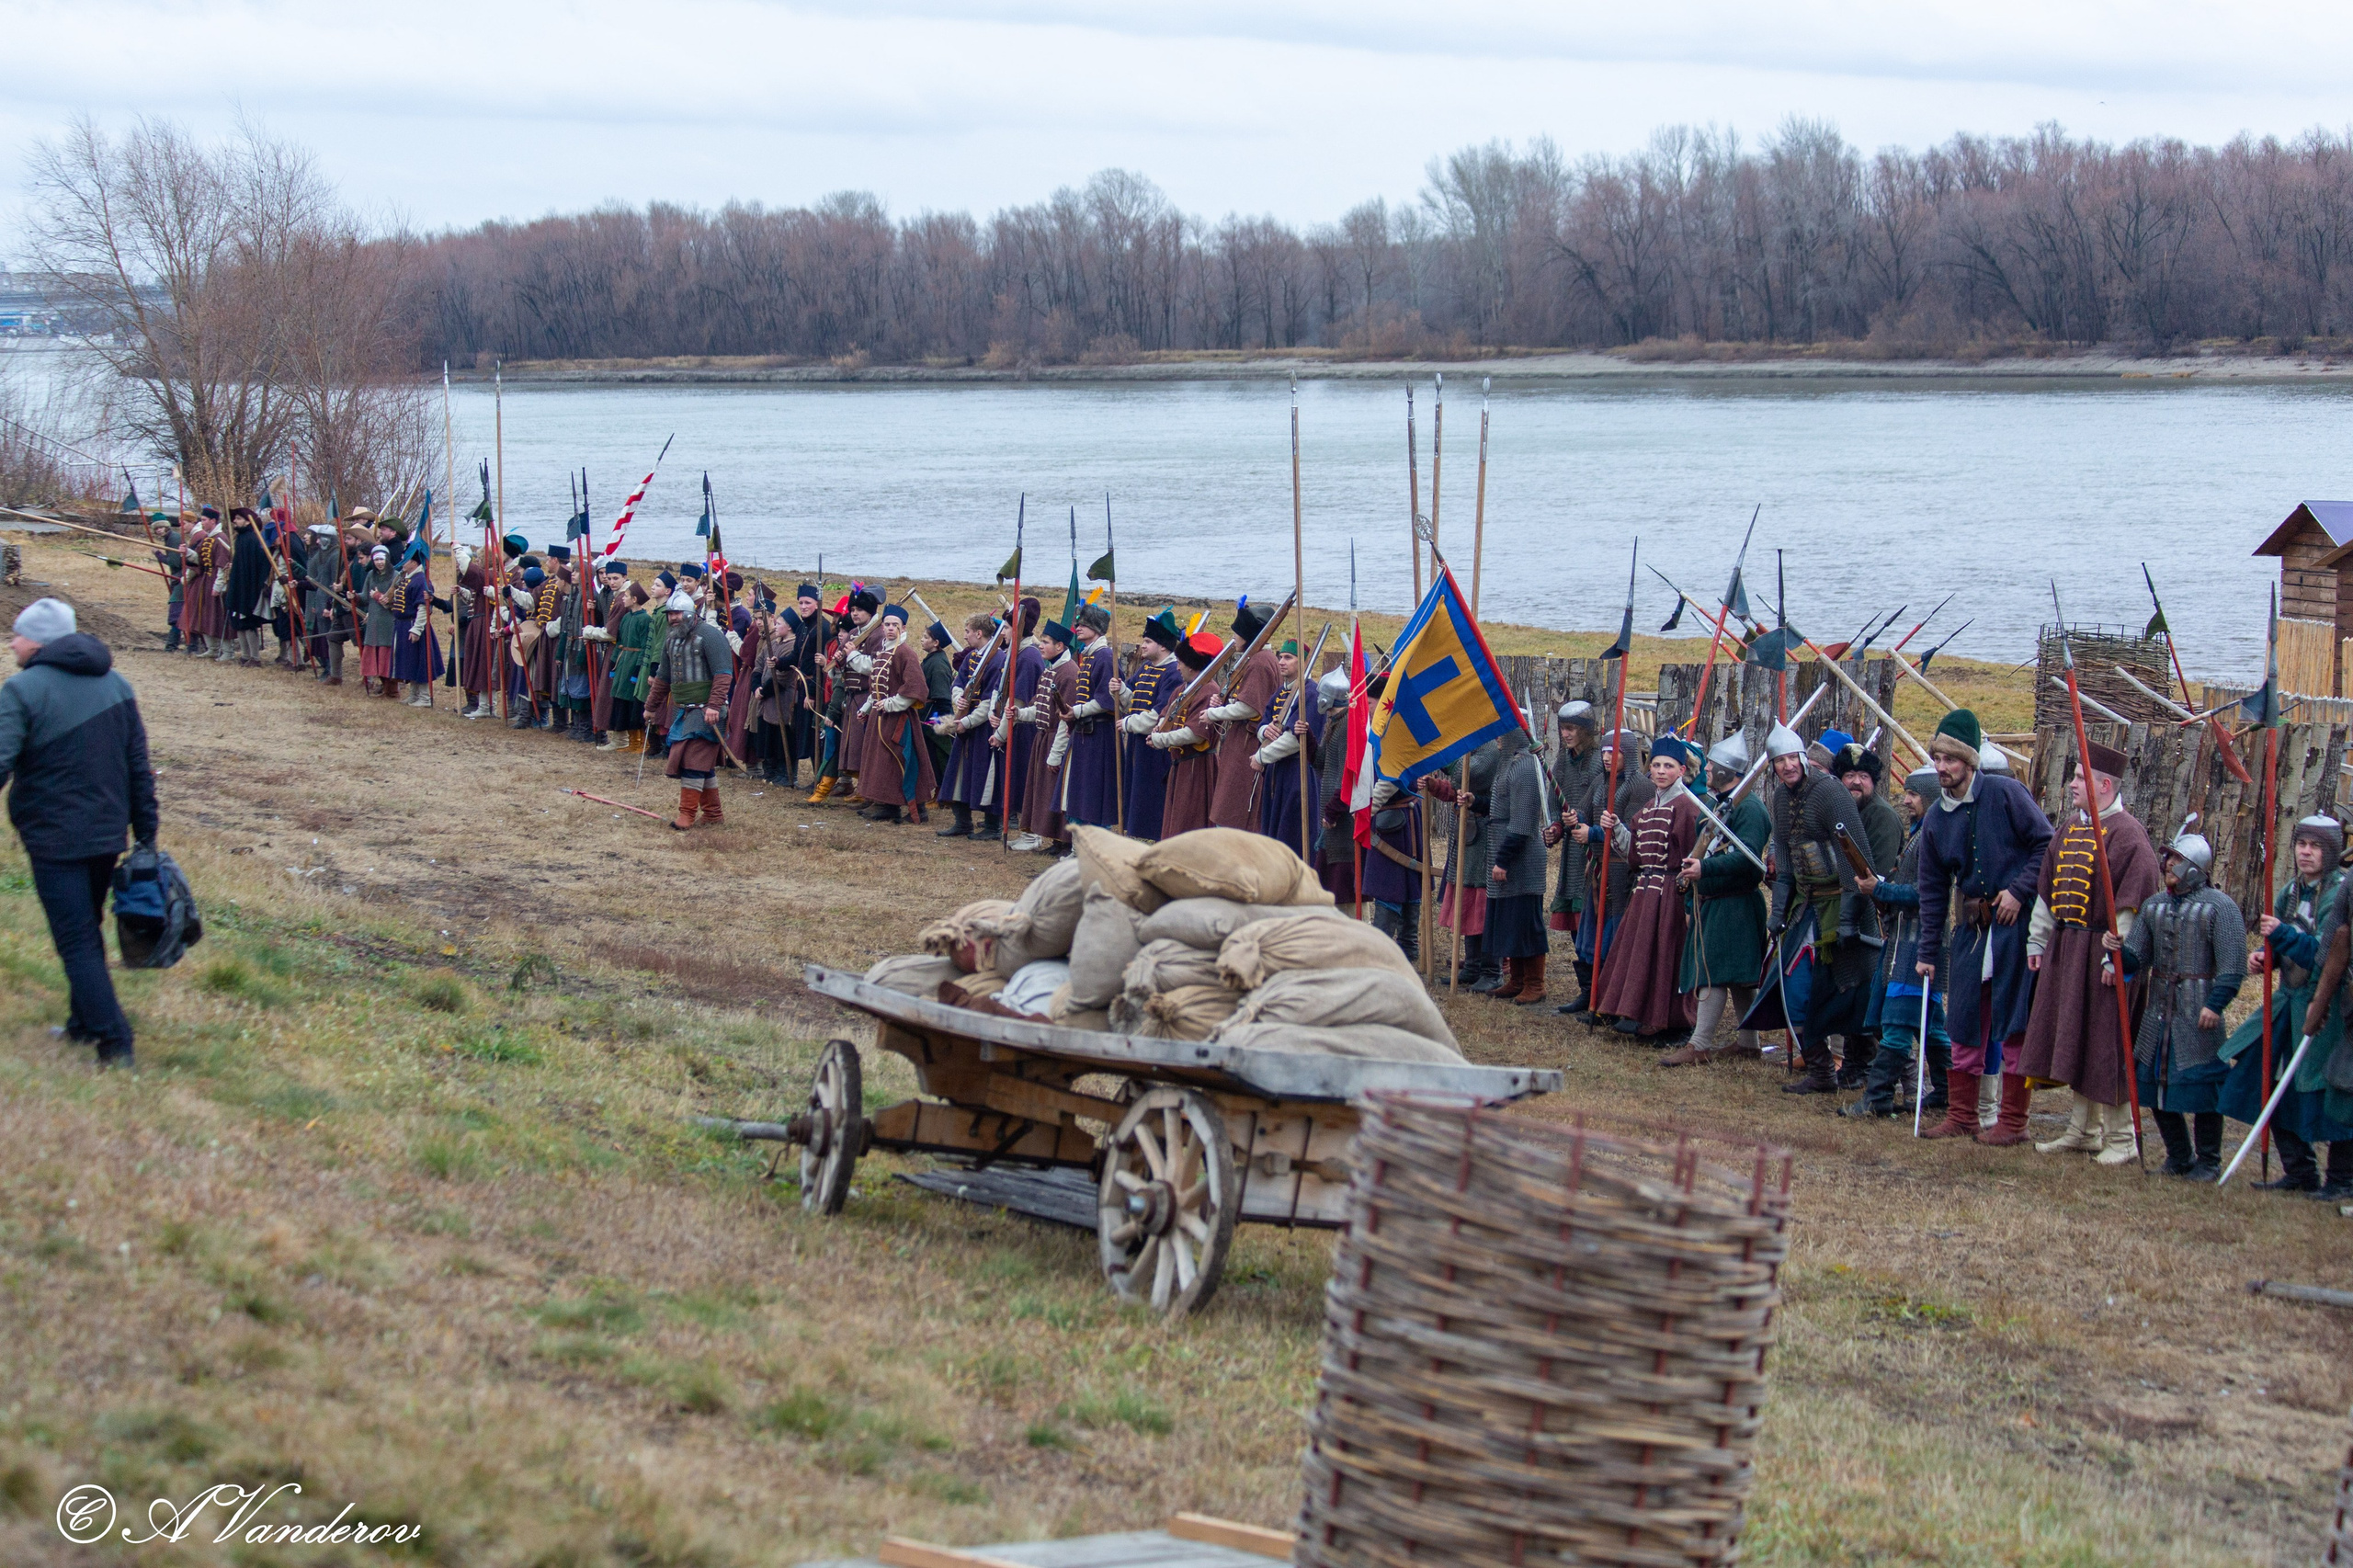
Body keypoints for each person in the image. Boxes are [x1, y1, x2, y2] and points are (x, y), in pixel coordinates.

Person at [0, 599, 158, 1069]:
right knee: (86, 929)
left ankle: (115, 1040)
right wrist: (146, 832)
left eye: (17, 635)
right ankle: (82, 1024)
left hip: (55, 835)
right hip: (109, 833)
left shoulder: (22, 689)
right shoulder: (118, 686)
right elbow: (138, 768)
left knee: (75, 942)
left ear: (41, 642)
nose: (12, 642)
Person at [2018, 739, 2162, 1164]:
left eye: (2080, 778)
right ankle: (2083, 1130)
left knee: (2106, 1042)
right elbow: (2048, 889)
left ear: (2103, 785)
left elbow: (2133, 907)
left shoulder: (2129, 837)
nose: (2072, 784)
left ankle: (2122, 1138)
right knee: (2075, 1037)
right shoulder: (2070, 828)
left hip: (2104, 955)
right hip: (2068, 950)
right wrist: (2038, 939)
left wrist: (2118, 960)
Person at [1915, 710, 2054, 1142]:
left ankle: (2013, 1123)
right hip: (1971, 931)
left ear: (1969, 762)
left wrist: (2018, 890)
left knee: (2014, 1021)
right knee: (1964, 1020)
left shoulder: (2006, 793)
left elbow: (2046, 845)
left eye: (1950, 760)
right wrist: (1926, 953)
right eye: (1937, 758)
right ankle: (1962, 1116)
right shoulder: (1937, 818)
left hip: (2016, 927)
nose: (1941, 768)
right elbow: (1933, 890)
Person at [2222, 815, 2351, 1196]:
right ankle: (2299, 1171)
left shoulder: (2340, 894)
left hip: (2327, 1008)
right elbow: (2282, 944)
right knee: (2269, 1080)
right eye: (2301, 844)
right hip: (2287, 1003)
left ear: (2330, 851)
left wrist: (2280, 935)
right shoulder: (2291, 891)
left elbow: (2326, 957)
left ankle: (2342, 1179)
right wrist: (2267, 956)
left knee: (2331, 1091)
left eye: (2314, 846)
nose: (2305, 852)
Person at [2109, 833, 2245, 1178]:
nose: (2169, 865)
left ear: (2196, 868)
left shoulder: (2220, 907)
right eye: (2167, 858)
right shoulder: (2154, 906)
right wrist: (2116, 950)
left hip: (2198, 1008)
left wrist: (2215, 1005)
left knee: (2203, 1089)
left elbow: (2233, 966)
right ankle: (2179, 1157)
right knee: (2153, 1084)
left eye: (2177, 860)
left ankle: (2209, 1161)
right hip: (2159, 1009)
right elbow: (2136, 959)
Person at [1764, 720, 1876, 1095]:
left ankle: (1872, 1069)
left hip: (1841, 904)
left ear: (1803, 759)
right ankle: (1822, 1072)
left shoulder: (1830, 793)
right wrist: (1778, 912)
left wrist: (1849, 915)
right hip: (1805, 907)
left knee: (1847, 993)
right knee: (1793, 989)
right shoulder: (1780, 798)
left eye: (1792, 758)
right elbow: (1785, 860)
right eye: (1779, 762)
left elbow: (1853, 855)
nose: (1787, 766)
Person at [1847, 767, 1953, 1118]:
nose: (1905, 800)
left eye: (1913, 794)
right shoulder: (1923, 832)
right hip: (1912, 938)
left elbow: (1927, 895)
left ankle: (1876, 1098)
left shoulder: (1932, 836)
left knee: (1895, 1025)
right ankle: (1945, 1091)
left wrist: (1879, 889)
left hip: (1917, 942)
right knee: (1931, 1025)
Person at [1659, 733, 1769, 1067]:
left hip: (1736, 901)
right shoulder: (1720, 804)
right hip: (1715, 900)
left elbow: (1749, 859)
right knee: (1731, 974)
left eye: (1713, 767)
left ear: (1727, 771)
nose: (1706, 770)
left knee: (1717, 973)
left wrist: (1704, 869)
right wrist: (1694, 897)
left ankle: (1700, 1043)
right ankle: (1749, 1043)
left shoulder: (1750, 808)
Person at [1592, 733, 1704, 1035]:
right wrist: (1615, 828)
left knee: (1668, 955)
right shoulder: (1648, 806)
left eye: (1668, 766)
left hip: (1673, 893)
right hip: (1646, 891)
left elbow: (1696, 857)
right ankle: (1639, 1012)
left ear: (1681, 770)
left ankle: (1671, 1020)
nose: (1660, 771)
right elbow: (1635, 851)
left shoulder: (1688, 808)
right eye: (1655, 765)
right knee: (1641, 953)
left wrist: (1689, 900)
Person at [645, 589, 734, 830]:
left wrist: (714, 705)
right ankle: (713, 814)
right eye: (670, 614)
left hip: (708, 711)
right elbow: (663, 678)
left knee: (693, 761)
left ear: (689, 613)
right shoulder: (671, 639)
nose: (673, 618)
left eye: (677, 613)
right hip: (684, 710)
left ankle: (686, 814)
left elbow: (723, 674)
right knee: (698, 763)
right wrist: (651, 707)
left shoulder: (710, 635)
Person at [1478, 723, 1552, 1005]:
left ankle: (1536, 983)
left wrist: (1503, 860)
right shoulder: (1510, 764)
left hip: (1522, 858)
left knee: (1526, 922)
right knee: (1511, 921)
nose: (1497, 736)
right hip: (1507, 850)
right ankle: (1518, 980)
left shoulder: (1526, 768)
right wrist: (1475, 802)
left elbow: (1522, 822)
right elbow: (1500, 810)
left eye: (1502, 731)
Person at [1546, 700, 1606, 1010]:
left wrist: (1585, 822)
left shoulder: (1599, 762)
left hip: (1593, 849)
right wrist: (1556, 827)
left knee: (1591, 919)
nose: (1565, 734)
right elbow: (1556, 800)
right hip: (1572, 851)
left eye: (1570, 729)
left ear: (1585, 731)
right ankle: (1586, 989)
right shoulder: (1563, 761)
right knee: (1573, 921)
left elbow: (1607, 806)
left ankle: (1601, 990)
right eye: (1562, 729)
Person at [1426, 740, 1499, 990]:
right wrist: (1437, 787)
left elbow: (1471, 774)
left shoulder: (1490, 747)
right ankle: (1472, 967)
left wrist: (1440, 754)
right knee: (1467, 901)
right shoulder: (1472, 744)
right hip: (1467, 834)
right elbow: (1459, 786)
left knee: (1482, 904)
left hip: (1486, 835)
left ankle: (1491, 970)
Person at [856, 604, 938, 825]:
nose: (891, 628)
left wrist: (891, 704)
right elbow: (877, 685)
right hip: (880, 717)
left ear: (903, 627)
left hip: (899, 718)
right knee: (883, 763)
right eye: (888, 624)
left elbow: (916, 689)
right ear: (882, 627)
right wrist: (866, 709)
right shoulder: (884, 650)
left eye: (895, 625)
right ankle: (886, 805)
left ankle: (918, 808)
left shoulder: (905, 652)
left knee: (904, 759)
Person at [1205, 601, 1279, 831]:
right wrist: (1222, 701)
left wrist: (1214, 713)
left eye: (1237, 633)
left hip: (1247, 745)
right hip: (1242, 741)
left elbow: (1250, 708)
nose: (1234, 637)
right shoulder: (1257, 659)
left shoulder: (1259, 663)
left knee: (1234, 812)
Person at [1253, 640, 1325, 860]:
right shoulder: (1280, 692)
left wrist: (1261, 756)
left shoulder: (1310, 693)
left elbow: (1296, 739)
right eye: (1281, 657)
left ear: (1303, 663)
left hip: (1299, 771)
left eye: (1288, 658)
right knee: (1273, 831)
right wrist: (1264, 732)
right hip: (1278, 771)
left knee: (1295, 832)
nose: (1281, 662)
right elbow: (1263, 721)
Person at [1118, 609, 1185, 843]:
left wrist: (1127, 723)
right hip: (1137, 743)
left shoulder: (1173, 674)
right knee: (1135, 793)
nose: (1143, 646)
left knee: (1152, 796)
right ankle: (1135, 837)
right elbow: (1131, 700)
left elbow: (1158, 717)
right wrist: (1120, 689)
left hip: (1156, 746)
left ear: (1164, 647)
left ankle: (1154, 840)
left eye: (1148, 641)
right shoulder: (1146, 668)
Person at [1012, 616, 1077, 853]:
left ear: (1060, 647)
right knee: (1044, 792)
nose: (1041, 645)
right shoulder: (1051, 670)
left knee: (1057, 793)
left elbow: (1065, 720)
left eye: (1047, 642)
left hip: (1055, 740)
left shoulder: (1068, 673)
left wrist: (1056, 754)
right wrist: (1019, 713)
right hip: (1043, 738)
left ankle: (1064, 842)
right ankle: (1053, 840)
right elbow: (1040, 708)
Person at [938, 612, 1006, 839]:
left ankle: (992, 827)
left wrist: (966, 722)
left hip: (984, 727)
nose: (965, 636)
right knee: (958, 774)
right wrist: (958, 699)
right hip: (965, 725)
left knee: (986, 776)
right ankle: (962, 822)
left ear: (979, 633)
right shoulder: (972, 657)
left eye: (968, 632)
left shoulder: (997, 659)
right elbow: (958, 682)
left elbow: (990, 701)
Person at [1151, 631, 1222, 838]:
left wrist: (1161, 739)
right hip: (1180, 765)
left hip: (1197, 766)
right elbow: (1165, 716)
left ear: (1191, 665)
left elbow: (1195, 734)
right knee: (1176, 820)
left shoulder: (1208, 690)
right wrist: (1158, 729)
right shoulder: (1183, 689)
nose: (1177, 666)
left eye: (1181, 662)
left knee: (1191, 822)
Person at [1058, 604, 1121, 831]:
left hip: (1100, 735)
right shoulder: (1089, 655)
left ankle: (1095, 846)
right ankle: (1079, 848)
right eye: (1078, 623)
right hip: (1085, 732)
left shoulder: (1104, 656)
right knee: (1081, 792)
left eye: (1084, 624)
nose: (1078, 627)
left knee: (1095, 796)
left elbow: (1105, 699)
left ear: (1096, 628)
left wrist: (1076, 712)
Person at [223, 507, 275, 666]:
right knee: (237, 619)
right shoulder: (240, 539)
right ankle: (245, 655)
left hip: (249, 587)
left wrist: (258, 585)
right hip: (238, 585)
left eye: (238, 519)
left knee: (248, 621)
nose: (235, 522)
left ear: (247, 520)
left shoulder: (254, 539)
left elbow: (262, 564)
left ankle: (255, 657)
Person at [358, 544, 402, 699]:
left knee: (387, 658)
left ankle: (392, 689)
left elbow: (393, 601)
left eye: (381, 559)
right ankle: (384, 687)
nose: (379, 562)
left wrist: (378, 596)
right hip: (374, 623)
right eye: (376, 559)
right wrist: (354, 597)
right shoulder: (371, 575)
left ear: (387, 559)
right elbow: (364, 597)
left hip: (388, 623)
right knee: (376, 657)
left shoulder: (396, 575)